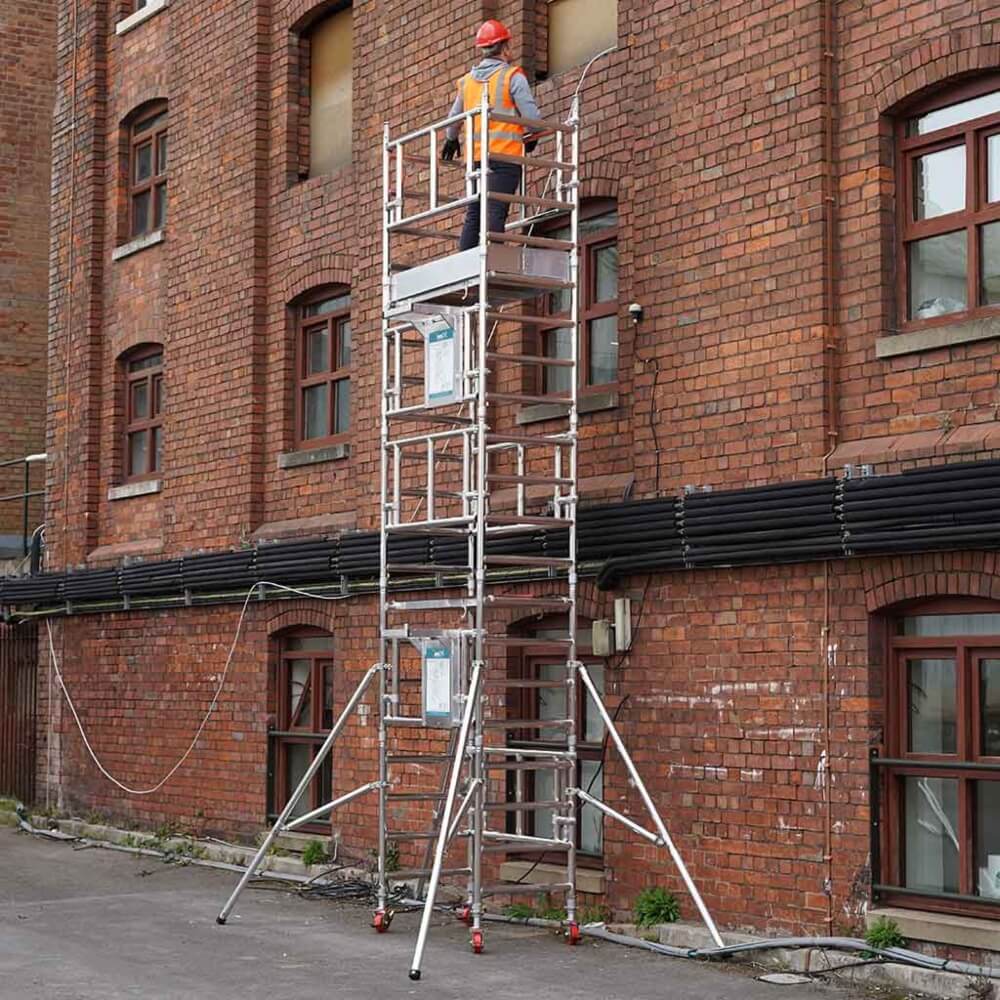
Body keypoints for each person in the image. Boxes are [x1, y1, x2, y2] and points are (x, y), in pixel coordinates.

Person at [442, 19, 541, 251]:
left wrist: (450, 139)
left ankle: (466, 263)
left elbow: (454, 117)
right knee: (496, 209)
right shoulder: (512, 76)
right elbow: (533, 120)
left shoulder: (467, 82)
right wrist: (532, 136)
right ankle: (494, 258)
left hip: (475, 161)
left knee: (474, 212)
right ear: (504, 47)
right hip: (504, 158)